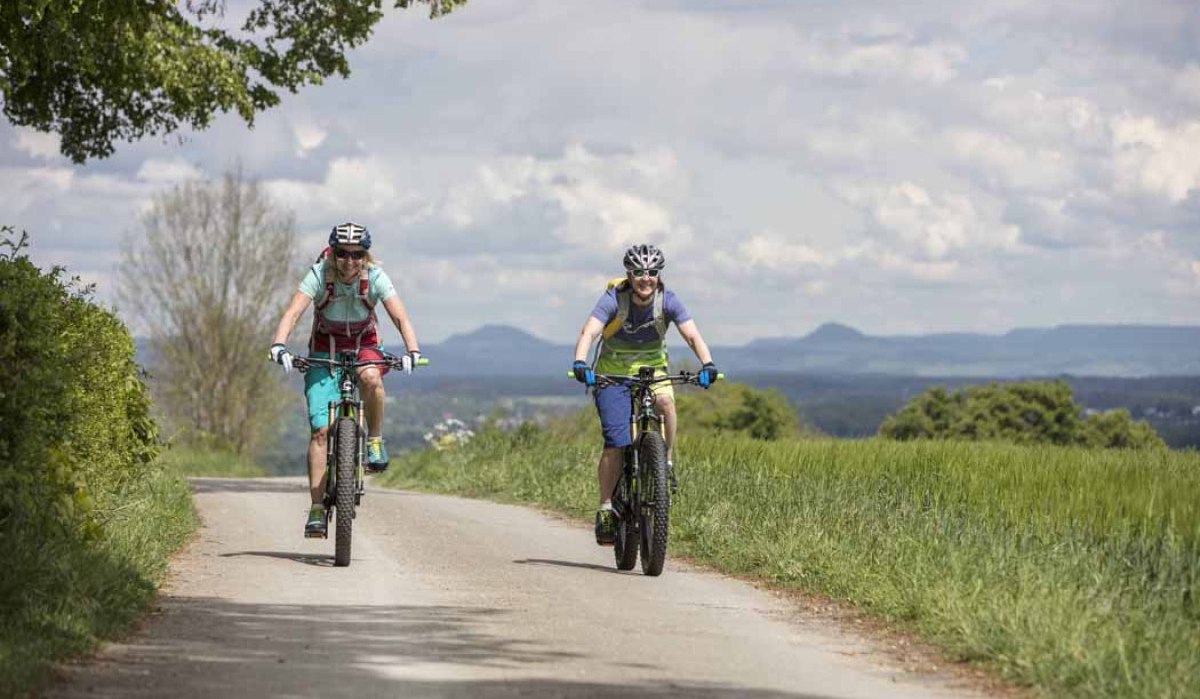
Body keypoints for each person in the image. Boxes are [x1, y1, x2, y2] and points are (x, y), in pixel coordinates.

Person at [268, 222, 422, 537]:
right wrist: (279, 345)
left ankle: (375, 439)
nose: (349, 262)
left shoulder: (375, 276)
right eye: (342, 254)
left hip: (364, 345)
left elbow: (400, 317)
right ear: (333, 253)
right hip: (325, 350)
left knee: (371, 379)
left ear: (365, 255)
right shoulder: (319, 275)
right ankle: (316, 507)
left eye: (356, 255)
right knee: (320, 431)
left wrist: (412, 351)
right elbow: (293, 312)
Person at [571, 243, 719, 545]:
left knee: (665, 402)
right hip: (612, 375)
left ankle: (665, 462)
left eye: (651, 272)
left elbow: (691, 334)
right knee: (616, 443)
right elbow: (589, 331)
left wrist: (707, 363)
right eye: (638, 272)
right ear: (629, 274)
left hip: (653, 371)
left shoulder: (668, 301)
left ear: (659, 275)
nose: (645, 278)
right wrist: (580, 362)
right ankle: (606, 508)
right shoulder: (614, 298)